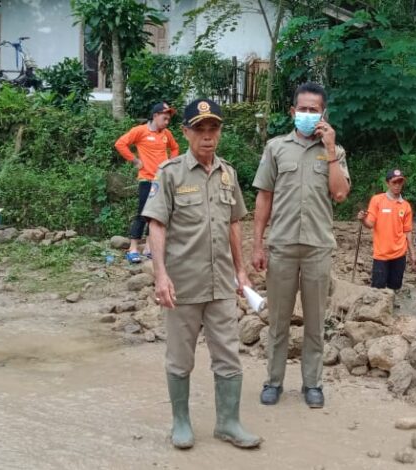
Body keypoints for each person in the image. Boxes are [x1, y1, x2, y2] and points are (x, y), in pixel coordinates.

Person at [141, 98, 261, 450]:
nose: (207, 137)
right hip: (183, 284)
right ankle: (181, 422)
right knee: (181, 358)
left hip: (221, 283)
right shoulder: (170, 173)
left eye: (213, 129)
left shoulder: (228, 173)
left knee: (229, 356)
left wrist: (241, 271)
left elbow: (234, 223)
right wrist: (160, 275)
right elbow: (156, 225)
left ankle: (228, 422)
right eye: (200, 130)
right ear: (186, 132)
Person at [251, 82, 351, 408]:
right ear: (293, 112)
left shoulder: (335, 152)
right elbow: (264, 196)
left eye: (314, 110)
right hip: (281, 245)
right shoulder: (276, 148)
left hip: (317, 247)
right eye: (303, 109)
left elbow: (339, 194)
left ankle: (313, 385)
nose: (308, 115)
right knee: (278, 320)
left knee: (314, 322)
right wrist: (257, 245)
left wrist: (331, 148)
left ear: (324, 113)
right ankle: (273, 382)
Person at [114, 102, 179, 263]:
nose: (167, 122)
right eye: (164, 118)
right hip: (147, 179)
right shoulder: (140, 131)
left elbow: (175, 148)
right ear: (155, 116)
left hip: (162, 180)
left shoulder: (166, 134)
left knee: (157, 216)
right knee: (143, 214)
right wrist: (135, 160)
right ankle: (133, 248)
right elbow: (120, 144)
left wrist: (170, 163)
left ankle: (150, 248)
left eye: (168, 119)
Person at [357, 169, 416, 290]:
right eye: (394, 182)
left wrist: (412, 253)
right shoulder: (377, 200)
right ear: (387, 183)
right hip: (381, 254)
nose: (397, 185)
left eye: (400, 182)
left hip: (400, 253)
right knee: (377, 290)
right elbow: (370, 224)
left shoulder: (406, 206)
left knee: (395, 288)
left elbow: (407, 231)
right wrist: (362, 220)